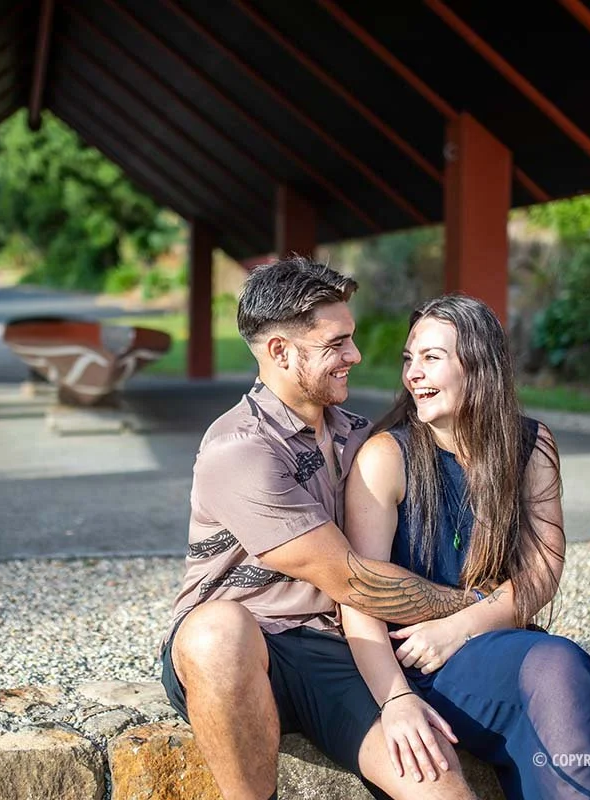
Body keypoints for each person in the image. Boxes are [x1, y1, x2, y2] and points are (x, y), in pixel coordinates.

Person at [342, 294, 590, 800]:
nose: (413, 374)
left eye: (431, 358)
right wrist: (394, 698)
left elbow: (542, 570)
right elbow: (357, 596)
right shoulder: (385, 457)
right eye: (409, 359)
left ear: (479, 366)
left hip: (509, 649)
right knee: (560, 664)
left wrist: (459, 628)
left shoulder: (530, 446)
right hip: (421, 667)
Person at [161, 258, 486, 800]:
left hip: (337, 650)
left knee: (443, 791)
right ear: (280, 353)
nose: (355, 356)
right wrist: (479, 606)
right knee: (217, 630)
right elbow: (353, 579)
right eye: (336, 344)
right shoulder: (240, 449)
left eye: (351, 339)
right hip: (245, 651)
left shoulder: (361, 437)